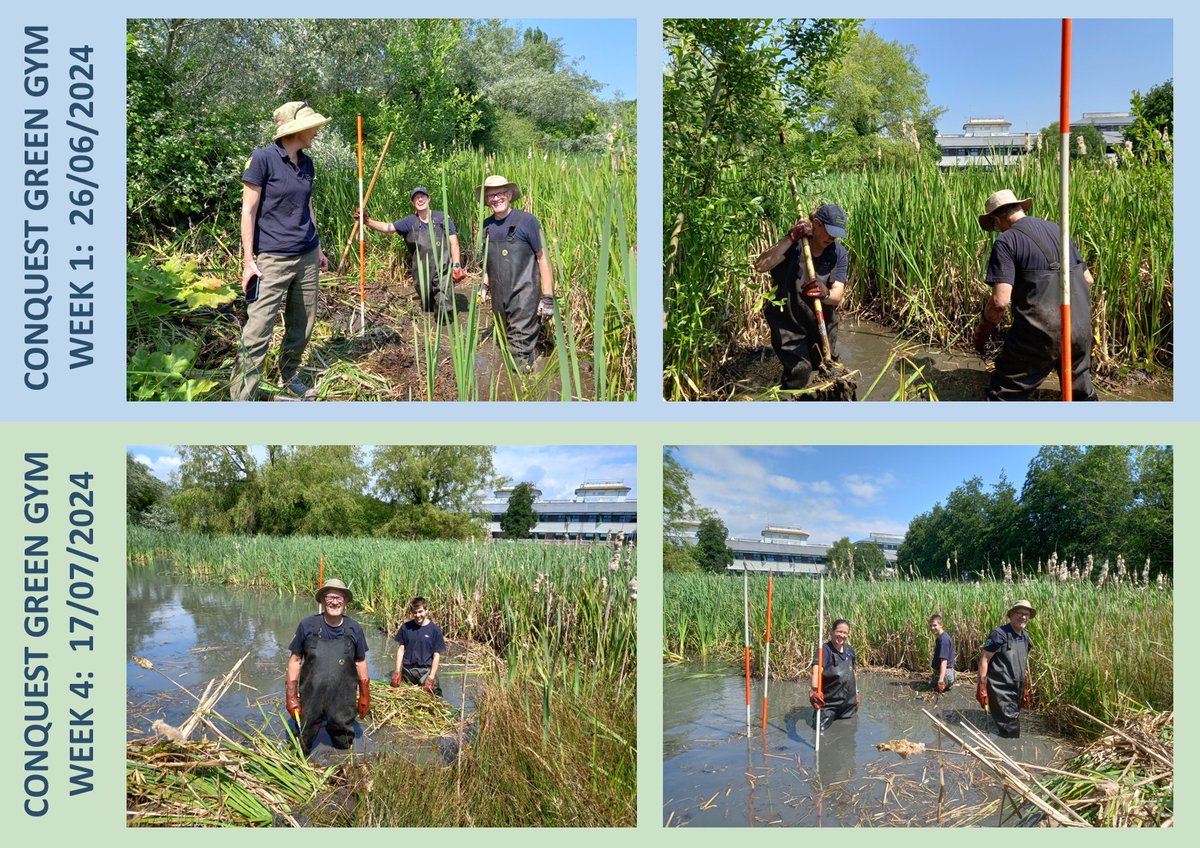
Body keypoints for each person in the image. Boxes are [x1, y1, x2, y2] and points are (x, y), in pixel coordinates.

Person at [232, 100, 331, 401]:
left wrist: (320, 248)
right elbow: (248, 212)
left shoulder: (308, 163)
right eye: (313, 126)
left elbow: (307, 206)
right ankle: (241, 396)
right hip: (272, 260)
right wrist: (249, 261)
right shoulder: (262, 160)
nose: (317, 132)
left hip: (308, 256)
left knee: (303, 323)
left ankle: (289, 374)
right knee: (258, 328)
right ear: (296, 129)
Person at [971, 189, 1097, 401]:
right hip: (1079, 328)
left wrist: (982, 332)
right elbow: (1088, 279)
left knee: (1004, 397)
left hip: (1038, 336)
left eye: (993, 227)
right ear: (1020, 209)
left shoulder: (1006, 241)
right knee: (1081, 397)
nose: (996, 231)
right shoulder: (1058, 230)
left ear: (995, 219)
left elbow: (1000, 302)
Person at [753, 204, 850, 390]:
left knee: (827, 366)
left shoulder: (838, 253)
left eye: (837, 233)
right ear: (817, 224)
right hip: (788, 323)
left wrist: (825, 293)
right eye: (830, 231)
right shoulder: (794, 245)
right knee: (800, 371)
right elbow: (760, 266)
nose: (833, 237)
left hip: (822, 323)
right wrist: (790, 238)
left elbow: (837, 295)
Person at [285, 579, 370, 755]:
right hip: (311, 695)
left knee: (344, 743)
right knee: (301, 741)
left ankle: (341, 765)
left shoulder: (354, 629)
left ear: (345, 601)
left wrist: (364, 695)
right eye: (330, 597)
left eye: (339, 598)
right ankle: (296, 767)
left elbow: (360, 662)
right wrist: (291, 695)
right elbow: (295, 660)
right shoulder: (307, 625)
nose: (335, 602)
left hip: (343, 697)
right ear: (322, 601)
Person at [478, 175, 555, 368]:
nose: (496, 198)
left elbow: (542, 258)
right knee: (504, 340)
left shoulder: (527, 221)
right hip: (499, 294)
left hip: (524, 294)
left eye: (500, 193)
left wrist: (547, 298)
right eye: (491, 195)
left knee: (518, 352)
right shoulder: (486, 226)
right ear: (487, 201)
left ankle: (526, 383)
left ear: (510, 195)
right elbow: (489, 261)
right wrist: (484, 286)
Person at [359, 187, 466, 316]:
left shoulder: (442, 217)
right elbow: (387, 227)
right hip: (422, 270)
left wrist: (456, 265)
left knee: (443, 303)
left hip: (442, 267)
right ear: (412, 203)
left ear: (428, 199)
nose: (420, 199)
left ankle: (445, 320)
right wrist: (366, 221)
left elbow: (453, 242)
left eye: (423, 196)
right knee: (428, 306)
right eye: (416, 197)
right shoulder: (409, 221)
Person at [977, 599, 1036, 738]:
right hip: (1000, 688)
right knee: (1012, 732)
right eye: (1019, 613)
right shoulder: (998, 634)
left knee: (1011, 722)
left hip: (1018, 688)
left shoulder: (1026, 637)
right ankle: (1008, 754)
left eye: (1026, 614)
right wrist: (982, 687)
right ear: (1011, 615)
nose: (1023, 617)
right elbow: (984, 659)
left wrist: (1025, 688)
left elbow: (1022, 663)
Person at [390, 596, 446, 697]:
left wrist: (431, 677)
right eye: (415, 612)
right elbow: (401, 649)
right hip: (408, 670)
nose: (418, 615)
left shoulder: (435, 630)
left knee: (434, 696)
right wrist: (397, 671)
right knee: (401, 695)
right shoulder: (406, 628)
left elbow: (436, 655)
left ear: (426, 610)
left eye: (420, 612)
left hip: (425, 671)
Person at [809, 618, 859, 731]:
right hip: (828, 704)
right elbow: (816, 671)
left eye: (845, 633)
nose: (842, 635)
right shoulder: (824, 650)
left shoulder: (850, 650)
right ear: (832, 632)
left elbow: (853, 673)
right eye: (839, 632)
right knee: (819, 731)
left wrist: (857, 692)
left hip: (849, 705)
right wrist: (814, 690)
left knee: (849, 735)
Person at [928, 613, 955, 692]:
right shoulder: (940, 638)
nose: (932, 628)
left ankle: (945, 682)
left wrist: (941, 680)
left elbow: (944, 661)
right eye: (930, 626)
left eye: (935, 625)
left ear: (941, 625)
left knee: (931, 688)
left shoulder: (944, 640)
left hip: (946, 673)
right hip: (947, 672)